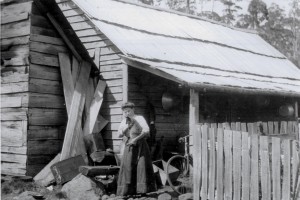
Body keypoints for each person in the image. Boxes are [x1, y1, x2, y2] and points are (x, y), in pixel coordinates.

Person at [116, 102, 157, 197]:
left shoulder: (139, 118)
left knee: (141, 166)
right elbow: (119, 134)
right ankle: (128, 191)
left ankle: (142, 191)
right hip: (129, 145)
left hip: (140, 145)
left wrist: (135, 139)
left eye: (129, 111)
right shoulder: (124, 121)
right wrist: (124, 129)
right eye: (125, 112)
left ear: (133, 110)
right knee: (128, 167)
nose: (127, 113)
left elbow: (146, 131)